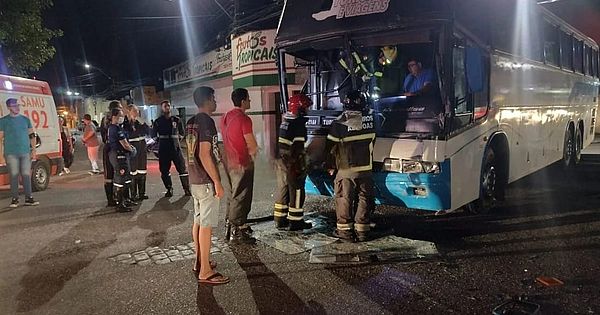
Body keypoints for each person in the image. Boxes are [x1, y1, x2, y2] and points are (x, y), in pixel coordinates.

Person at [185, 86, 229, 285]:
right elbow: (204, 154)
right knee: (206, 225)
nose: (215, 102)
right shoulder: (206, 121)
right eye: (214, 98)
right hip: (205, 180)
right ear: (208, 99)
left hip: (194, 179)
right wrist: (218, 182)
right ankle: (205, 271)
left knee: (198, 221)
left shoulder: (191, 122)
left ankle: (199, 261)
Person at [325, 91, 376, 242]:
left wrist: (329, 165)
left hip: (346, 169)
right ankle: (362, 231)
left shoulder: (340, 122)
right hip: (366, 168)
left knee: (344, 199)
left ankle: (345, 233)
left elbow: (330, 146)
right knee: (364, 199)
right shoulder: (371, 119)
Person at [220, 88, 258, 243]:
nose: (250, 101)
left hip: (228, 161)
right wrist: (255, 153)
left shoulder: (225, 117)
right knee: (242, 196)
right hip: (242, 162)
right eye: (248, 99)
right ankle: (237, 230)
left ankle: (231, 224)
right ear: (243, 101)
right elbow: (250, 142)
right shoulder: (244, 119)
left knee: (232, 195)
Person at [274, 94, 313, 231]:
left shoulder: (285, 121)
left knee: (283, 189)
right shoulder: (298, 125)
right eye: (306, 108)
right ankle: (296, 222)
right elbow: (297, 148)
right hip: (292, 163)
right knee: (296, 191)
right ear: (300, 109)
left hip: (282, 160)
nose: (308, 110)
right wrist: (299, 167)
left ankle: (280, 219)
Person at [0, 98, 40, 208]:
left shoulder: (25, 119)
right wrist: (1, 156)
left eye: (18, 105)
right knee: (14, 176)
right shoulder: (3, 121)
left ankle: (29, 198)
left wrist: (33, 150)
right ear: (8, 107)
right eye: (14, 106)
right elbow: (0, 138)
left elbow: (32, 135)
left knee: (26, 175)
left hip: (25, 152)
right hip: (11, 152)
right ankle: (15, 199)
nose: (17, 107)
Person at [153, 100, 191, 197]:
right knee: (164, 170)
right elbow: (153, 135)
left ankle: (186, 189)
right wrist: (159, 143)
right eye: (165, 106)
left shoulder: (177, 120)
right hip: (164, 149)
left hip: (176, 148)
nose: (167, 107)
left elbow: (182, 133)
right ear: (162, 108)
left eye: (168, 106)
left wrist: (177, 140)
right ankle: (169, 189)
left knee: (182, 169)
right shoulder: (158, 121)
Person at [107, 107, 136, 212]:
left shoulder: (116, 127)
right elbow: (124, 143)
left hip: (122, 156)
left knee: (126, 178)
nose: (122, 118)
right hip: (119, 156)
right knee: (120, 179)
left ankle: (126, 199)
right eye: (120, 116)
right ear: (114, 117)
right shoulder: (115, 128)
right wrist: (132, 150)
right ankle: (120, 204)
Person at [124, 104, 149, 201]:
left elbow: (149, 131)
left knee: (142, 171)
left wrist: (143, 123)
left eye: (137, 111)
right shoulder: (125, 123)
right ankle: (133, 195)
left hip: (142, 149)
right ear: (129, 112)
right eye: (134, 111)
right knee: (133, 172)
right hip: (132, 150)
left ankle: (142, 193)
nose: (137, 113)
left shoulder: (140, 122)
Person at [100, 100, 123, 207]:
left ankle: (113, 198)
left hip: (110, 147)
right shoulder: (110, 122)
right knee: (111, 174)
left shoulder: (108, 120)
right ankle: (111, 199)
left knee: (112, 174)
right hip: (111, 148)